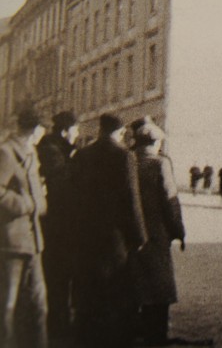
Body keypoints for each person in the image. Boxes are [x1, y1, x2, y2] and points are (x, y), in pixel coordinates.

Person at [70, 113, 147, 348]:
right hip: (114, 239)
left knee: (87, 291)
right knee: (114, 293)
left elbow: (71, 197)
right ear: (120, 131)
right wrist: (140, 235)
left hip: (85, 235)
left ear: (100, 130)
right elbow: (131, 199)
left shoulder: (81, 155)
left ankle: (85, 339)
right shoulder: (124, 156)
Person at [129, 117, 185, 346]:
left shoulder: (129, 161)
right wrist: (179, 231)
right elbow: (170, 201)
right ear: (154, 143)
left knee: (136, 285)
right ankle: (156, 337)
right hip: (156, 234)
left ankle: (136, 332)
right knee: (159, 288)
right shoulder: (160, 164)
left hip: (132, 234)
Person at [0, 107, 48, 348]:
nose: (42, 134)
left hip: (33, 241)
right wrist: (26, 203)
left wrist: (39, 197)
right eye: (41, 129)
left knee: (39, 304)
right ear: (33, 129)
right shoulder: (6, 153)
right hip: (11, 242)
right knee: (7, 306)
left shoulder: (31, 153)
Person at [36, 110, 79, 339]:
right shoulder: (54, 152)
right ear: (65, 131)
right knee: (58, 281)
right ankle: (58, 332)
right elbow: (62, 189)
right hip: (57, 229)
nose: (78, 133)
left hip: (56, 227)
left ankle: (58, 327)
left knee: (57, 282)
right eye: (75, 129)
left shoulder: (54, 148)